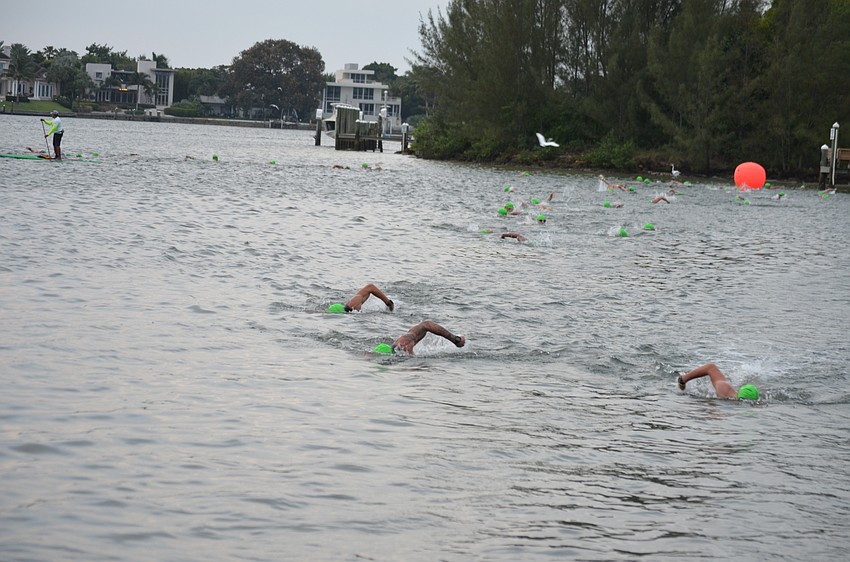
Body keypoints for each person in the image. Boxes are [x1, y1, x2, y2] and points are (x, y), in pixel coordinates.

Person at [677, 363, 759, 400]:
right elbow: (710, 367)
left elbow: (711, 367)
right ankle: (683, 379)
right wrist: (684, 380)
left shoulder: (725, 393)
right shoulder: (724, 390)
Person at [379, 320, 465, 355]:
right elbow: (426, 325)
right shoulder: (404, 348)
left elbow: (426, 325)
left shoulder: (403, 344)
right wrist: (455, 340)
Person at [328, 283, 394, 313]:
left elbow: (370, 287)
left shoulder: (352, 306)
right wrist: (389, 303)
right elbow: (370, 287)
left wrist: (388, 303)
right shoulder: (352, 305)